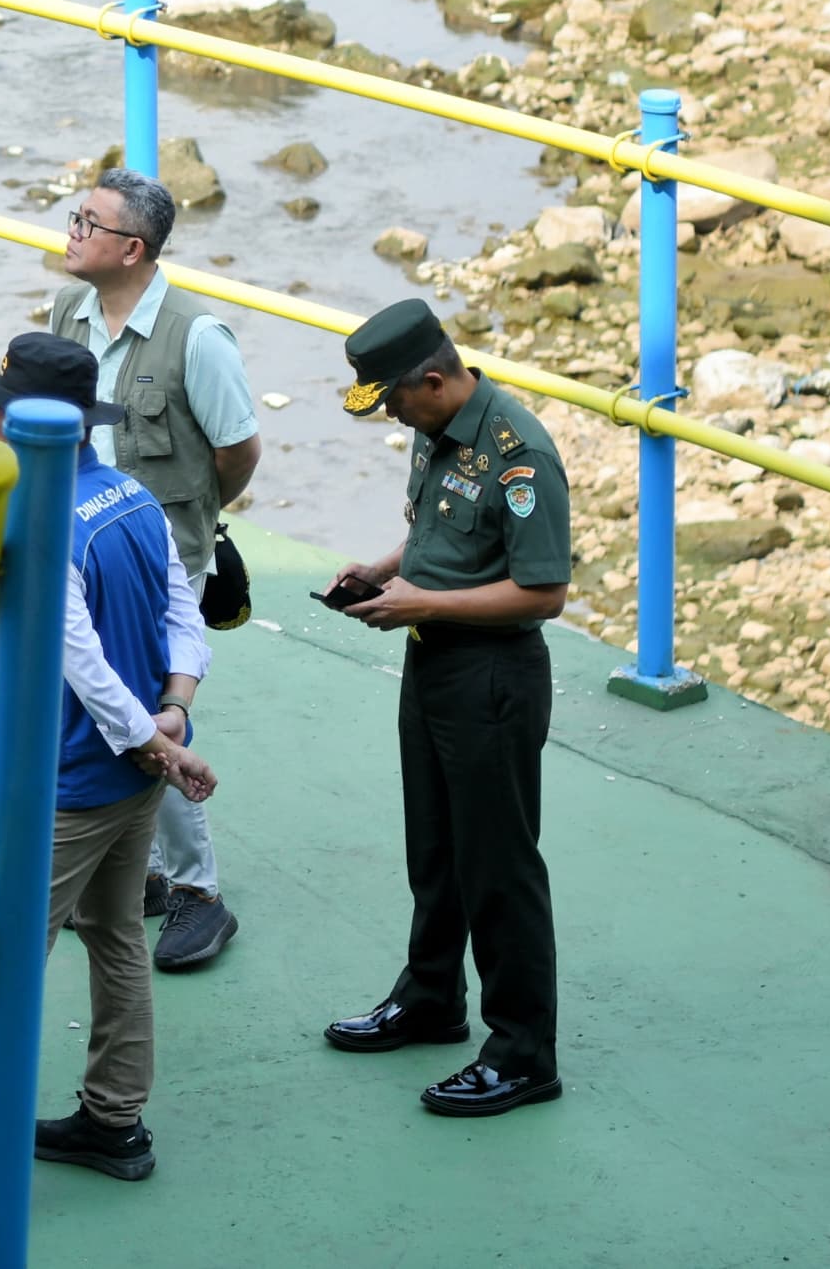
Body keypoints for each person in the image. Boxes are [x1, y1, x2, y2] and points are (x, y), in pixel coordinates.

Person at [318, 297, 572, 1116]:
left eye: (394, 399)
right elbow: (435, 530)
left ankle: (524, 1050)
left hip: (492, 678)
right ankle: (431, 995)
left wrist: (424, 604)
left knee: (499, 868)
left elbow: (544, 590)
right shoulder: (437, 431)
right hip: (432, 666)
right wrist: (381, 569)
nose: (392, 416)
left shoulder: (520, 454)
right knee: (434, 848)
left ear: (433, 378)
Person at [0, 333, 219, 1183]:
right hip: (134, 779)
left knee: (0, 960)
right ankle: (114, 1121)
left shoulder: (34, 522)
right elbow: (182, 619)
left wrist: (152, 738)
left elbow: (80, 661)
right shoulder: (133, 496)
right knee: (116, 935)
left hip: (70, 784)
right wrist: (172, 720)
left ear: (12, 422)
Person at [38, 167, 261, 973]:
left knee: (149, 706)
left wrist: (190, 524)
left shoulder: (198, 338)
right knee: (123, 705)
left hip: (161, 555)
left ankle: (199, 891)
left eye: (86, 222)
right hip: (81, 540)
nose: (71, 230)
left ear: (131, 247)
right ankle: (156, 872)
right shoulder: (70, 309)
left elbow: (237, 452)